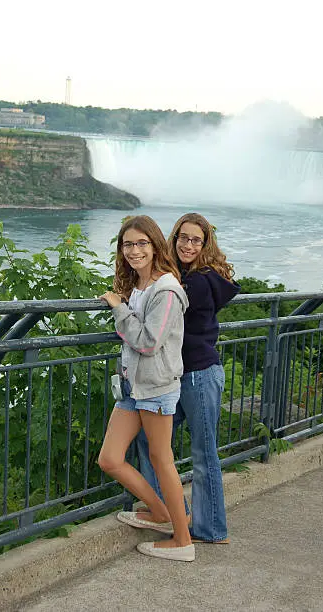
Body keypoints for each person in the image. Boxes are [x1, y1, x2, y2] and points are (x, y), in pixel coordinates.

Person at [135, 212, 240, 544]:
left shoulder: (194, 282)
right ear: (174, 238)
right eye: (183, 238)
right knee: (149, 440)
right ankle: (170, 510)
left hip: (200, 376)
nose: (189, 245)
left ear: (206, 244)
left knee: (204, 453)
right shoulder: (187, 276)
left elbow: (158, 312)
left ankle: (210, 529)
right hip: (180, 377)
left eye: (197, 239)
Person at [97, 215, 195, 562]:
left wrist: (119, 309)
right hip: (132, 386)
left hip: (156, 386)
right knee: (109, 459)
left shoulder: (166, 289)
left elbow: (149, 342)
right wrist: (124, 301)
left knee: (161, 458)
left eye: (141, 243)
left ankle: (182, 539)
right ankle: (160, 512)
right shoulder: (138, 286)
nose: (134, 250)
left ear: (155, 246)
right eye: (128, 244)